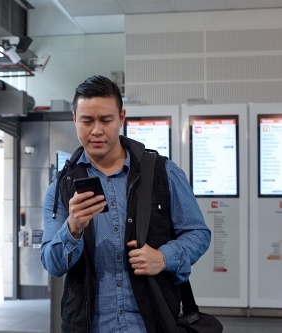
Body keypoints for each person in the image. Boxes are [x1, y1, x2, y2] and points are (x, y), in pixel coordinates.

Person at [41, 75, 211, 333]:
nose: (96, 130)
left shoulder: (163, 173)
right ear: (74, 118)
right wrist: (72, 227)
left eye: (106, 120)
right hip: (89, 326)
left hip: (153, 323)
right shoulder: (61, 189)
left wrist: (164, 257)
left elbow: (198, 233)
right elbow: (52, 264)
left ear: (121, 118)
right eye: (87, 120)